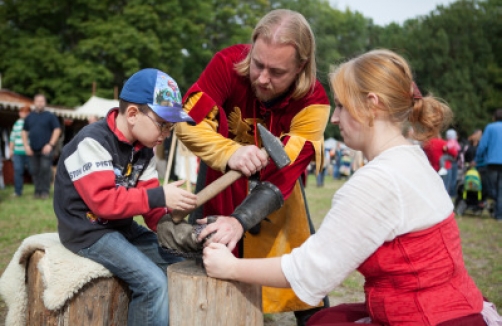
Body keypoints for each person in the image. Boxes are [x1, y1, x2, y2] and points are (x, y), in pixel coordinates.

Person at [202, 49, 494, 325]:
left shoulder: (378, 181)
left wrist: (231, 267)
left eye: (342, 105)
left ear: (372, 103)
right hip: (456, 305)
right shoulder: (412, 158)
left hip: (426, 318)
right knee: (327, 319)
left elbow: (313, 271)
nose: (335, 117)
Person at [170, 8, 330, 324]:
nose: (262, 77)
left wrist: (242, 219)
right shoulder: (227, 65)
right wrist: (229, 152)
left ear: (301, 66)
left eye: (277, 71)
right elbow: (188, 122)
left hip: (277, 198)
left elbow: (287, 170)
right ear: (252, 45)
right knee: (206, 287)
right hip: (219, 186)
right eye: (258, 64)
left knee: (306, 289)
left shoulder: (314, 101)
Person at [53, 68, 198, 326]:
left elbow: (153, 213)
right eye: (163, 124)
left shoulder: (145, 151)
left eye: (171, 126)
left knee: (179, 265)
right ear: (132, 114)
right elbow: (105, 203)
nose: (166, 133)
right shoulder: (92, 142)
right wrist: (160, 195)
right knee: (153, 284)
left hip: (120, 227)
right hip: (88, 231)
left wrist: (179, 223)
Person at [22, 94, 61, 199]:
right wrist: (26, 146)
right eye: (37, 101)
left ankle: (45, 191)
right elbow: (24, 132)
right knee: (34, 170)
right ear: (34, 102)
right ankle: (37, 191)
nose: (39, 103)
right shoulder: (29, 117)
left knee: (45, 169)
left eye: (42, 101)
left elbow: (57, 130)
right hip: (32, 149)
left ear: (45, 103)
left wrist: (50, 144)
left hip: (46, 148)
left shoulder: (50, 116)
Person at [476, 108, 502, 221]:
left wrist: (477, 158)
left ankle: (498, 209)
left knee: (491, 189)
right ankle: (499, 214)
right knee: (500, 189)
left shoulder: (490, 127)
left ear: (494, 117)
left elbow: (483, 145)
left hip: (492, 162)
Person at [9, 106, 32, 197]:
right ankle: (18, 192)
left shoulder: (31, 123)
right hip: (17, 152)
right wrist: (10, 150)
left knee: (33, 171)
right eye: (21, 112)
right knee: (18, 171)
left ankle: (38, 191)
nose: (22, 114)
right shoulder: (17, 123)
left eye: (25, 112)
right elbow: (12, 137)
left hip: (29, 152)